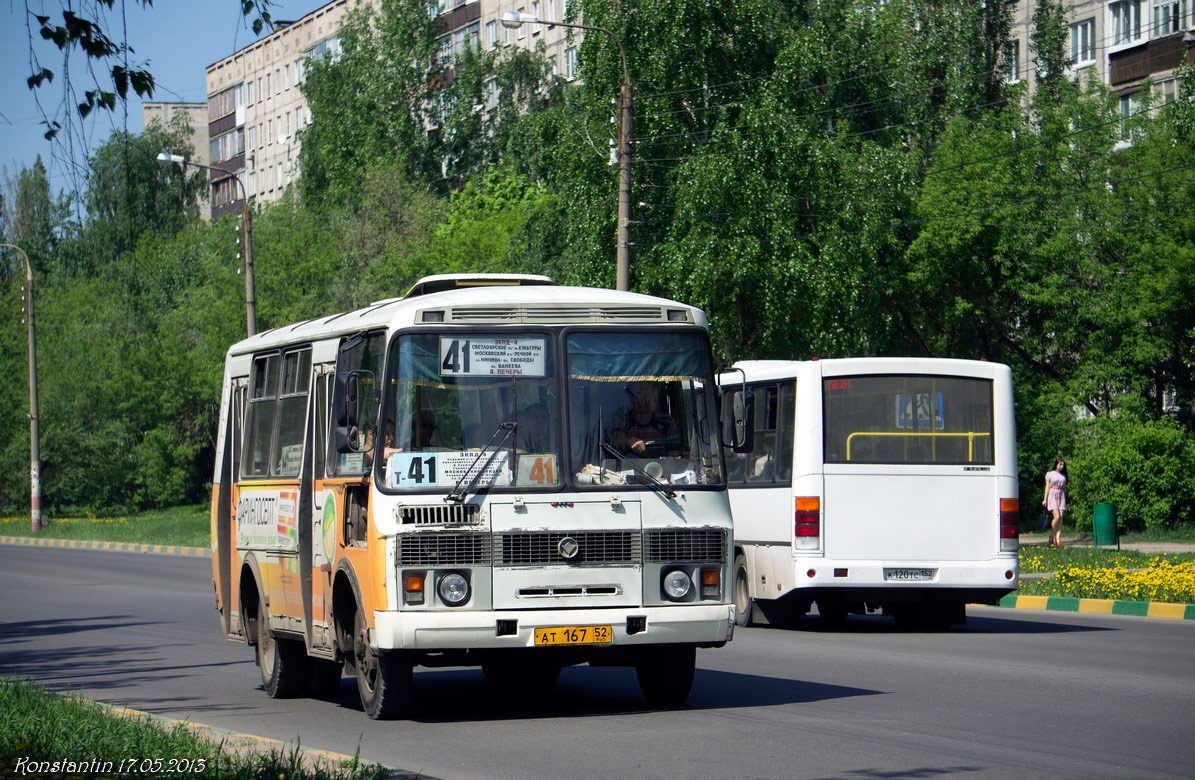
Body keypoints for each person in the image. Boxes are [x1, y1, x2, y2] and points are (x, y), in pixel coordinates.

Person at [614, 383, 679, 456]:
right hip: (626, 466)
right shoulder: (623, 419)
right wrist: (630, 441)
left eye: (649, 394)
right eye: (641, 394)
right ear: (631, 398)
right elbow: (615, 439)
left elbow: (674, 452)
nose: (646, 399)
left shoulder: (667, 422)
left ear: (655, 397)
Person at [1042, 458, 1068, 547]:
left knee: (1061, 517)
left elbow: (1064, 488)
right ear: (1056, 464)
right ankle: (1051, 535)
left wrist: (1064, 497)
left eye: (1063, 465)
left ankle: (1058, 538)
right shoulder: (1050, 474)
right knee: (1056, 516)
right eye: (1060, 464)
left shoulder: (1063, 476)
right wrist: (1045, 499)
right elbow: (1047, 487)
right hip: (1052, 494)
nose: (1062, 466)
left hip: (1061, 495)